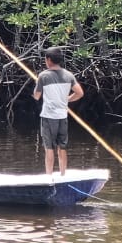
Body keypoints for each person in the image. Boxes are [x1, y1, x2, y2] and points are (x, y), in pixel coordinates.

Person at [33, 47, 84, 175]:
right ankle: (62, 174)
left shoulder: (43, 76)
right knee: (62, 146)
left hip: (48, 117)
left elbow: (36, 96)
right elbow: (79, 93)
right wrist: (67, 99)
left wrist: (37, 84)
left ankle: (49, 175)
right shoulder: (69, 75)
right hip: (62, 117)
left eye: (45, 59)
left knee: (49, 148)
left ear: (49, 60)